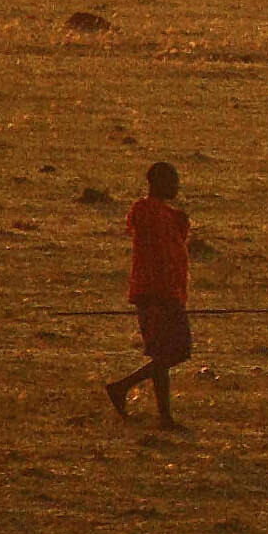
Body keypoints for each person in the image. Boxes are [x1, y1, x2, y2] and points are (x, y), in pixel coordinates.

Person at [104, 161, 193, 428]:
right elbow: (160, 254)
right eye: (172, 181)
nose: (177, 186)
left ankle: (163, 416)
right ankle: (123, 387)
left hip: (164, 293)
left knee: (165, 354)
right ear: (158, 183)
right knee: (175, 351)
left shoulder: (162, 214)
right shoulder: (150, 213)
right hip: (158, 294)